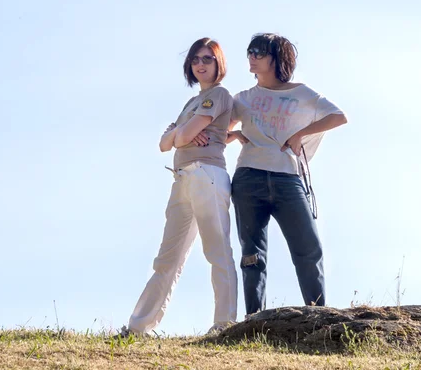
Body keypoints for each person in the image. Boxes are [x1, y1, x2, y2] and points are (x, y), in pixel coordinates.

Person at [117, 37, 238, 337]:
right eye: (196, 59)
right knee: (167, 258)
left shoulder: (220, 95)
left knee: (217, 252)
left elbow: (182, 136)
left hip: (206, 175)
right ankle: (138, 327)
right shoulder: (192, 102)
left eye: (207, 59)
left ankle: (224, 326)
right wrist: (179, 134)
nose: (200, 64)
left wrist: (181, 134)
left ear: (218, 63)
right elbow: (165, 143)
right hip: (182, 177)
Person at [229, 33, 347, 315]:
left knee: (309, 248)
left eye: (259, 51)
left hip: (287, 178)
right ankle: (254, 319)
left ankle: (317, 317)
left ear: (276, 57)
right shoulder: (242, 99)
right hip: (248, 178)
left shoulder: (302, 93)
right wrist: (233, 133)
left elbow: (338, 116)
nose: (252, 56)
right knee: (252, 255)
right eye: (250, 51)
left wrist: (299, 134)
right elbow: (217, 128)